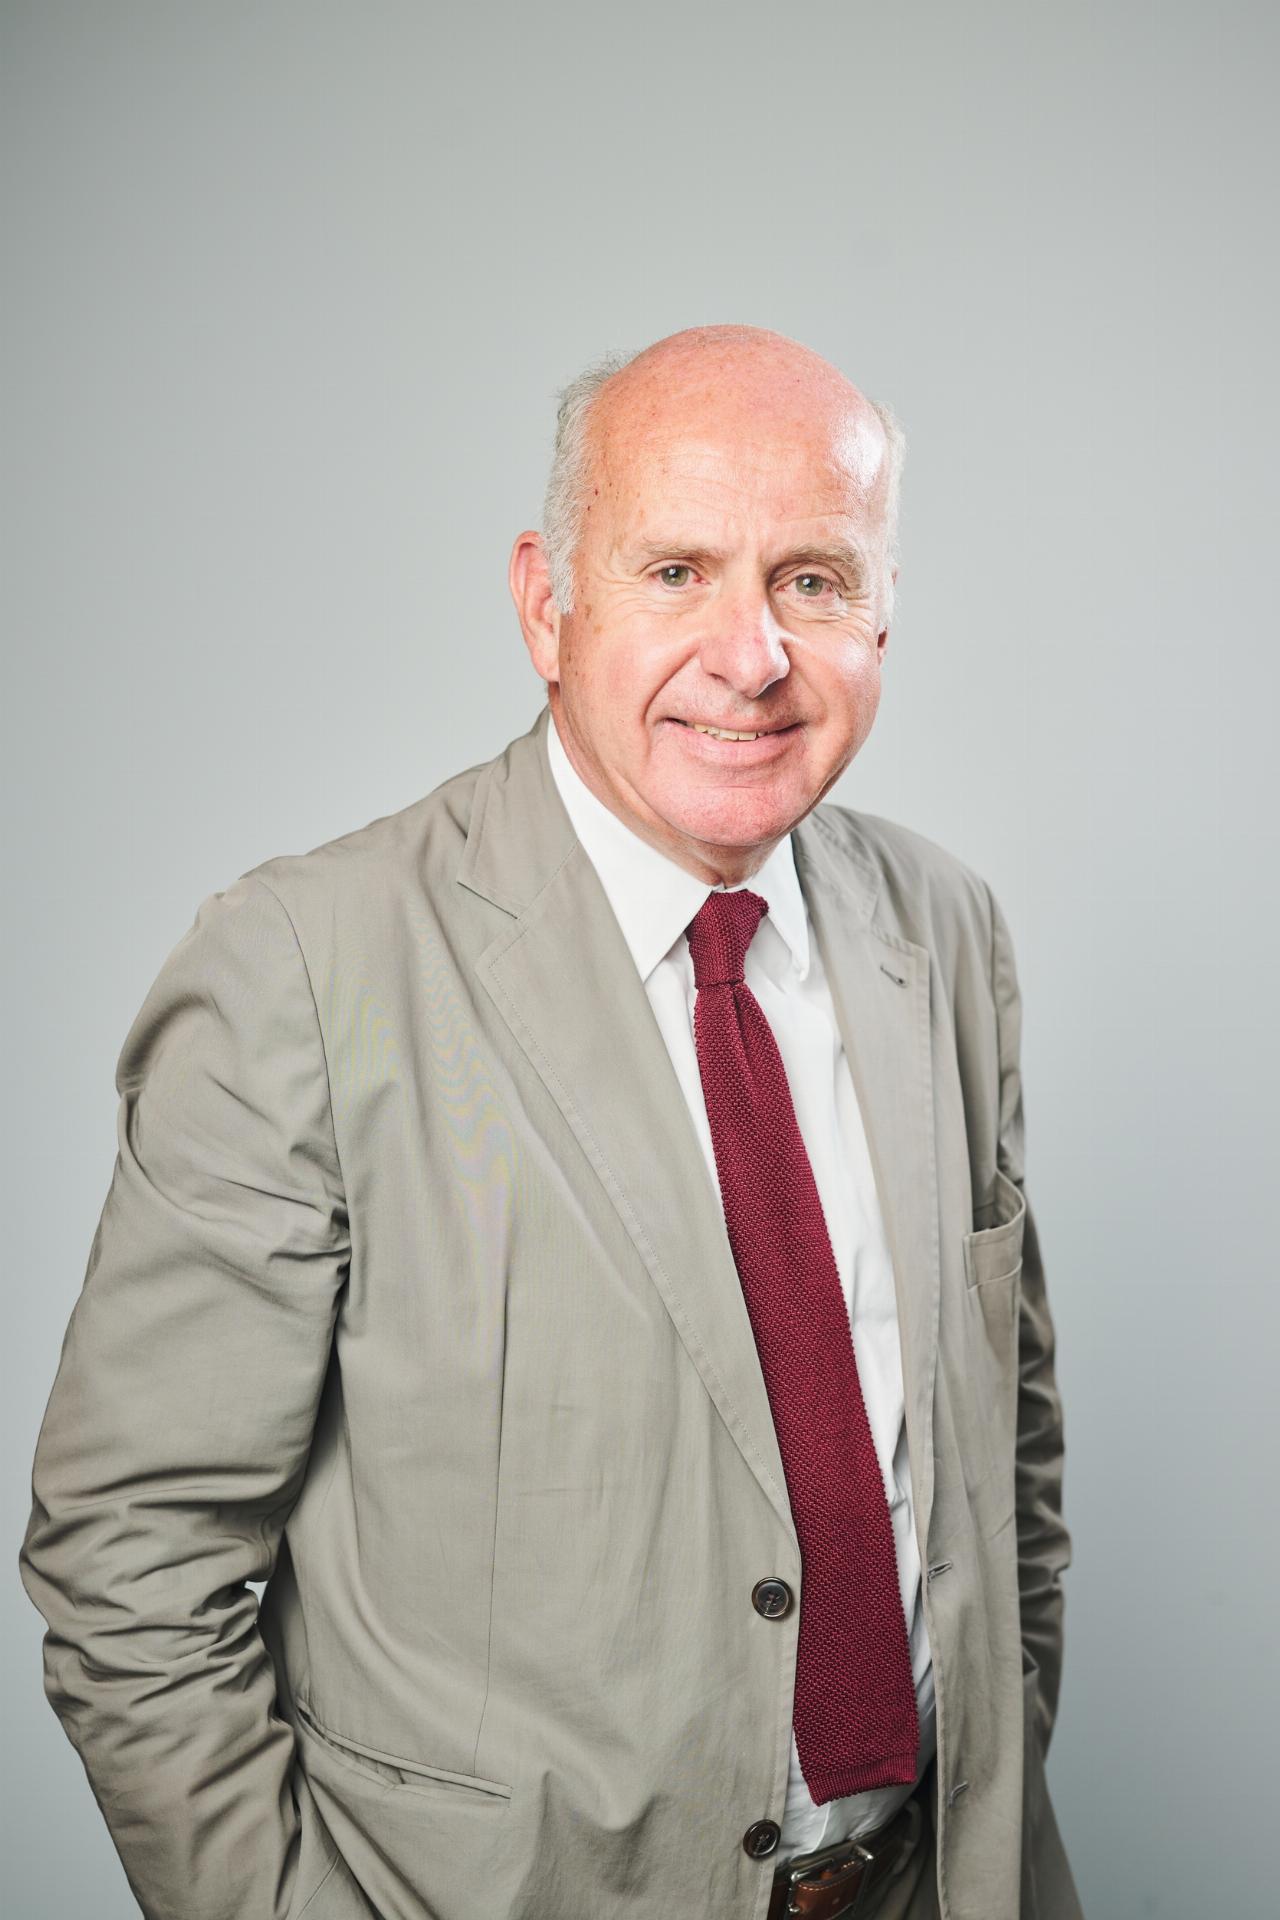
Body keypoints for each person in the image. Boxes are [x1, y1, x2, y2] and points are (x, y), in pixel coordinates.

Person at [20, 324, 1081, 1920]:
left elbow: (1011, 1461)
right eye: (676, 572)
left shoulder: (946, 931)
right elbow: (131, 1570)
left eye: (812, 580)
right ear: (546, 603)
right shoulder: (309, 969)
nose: (750, 656)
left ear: (881, 615)